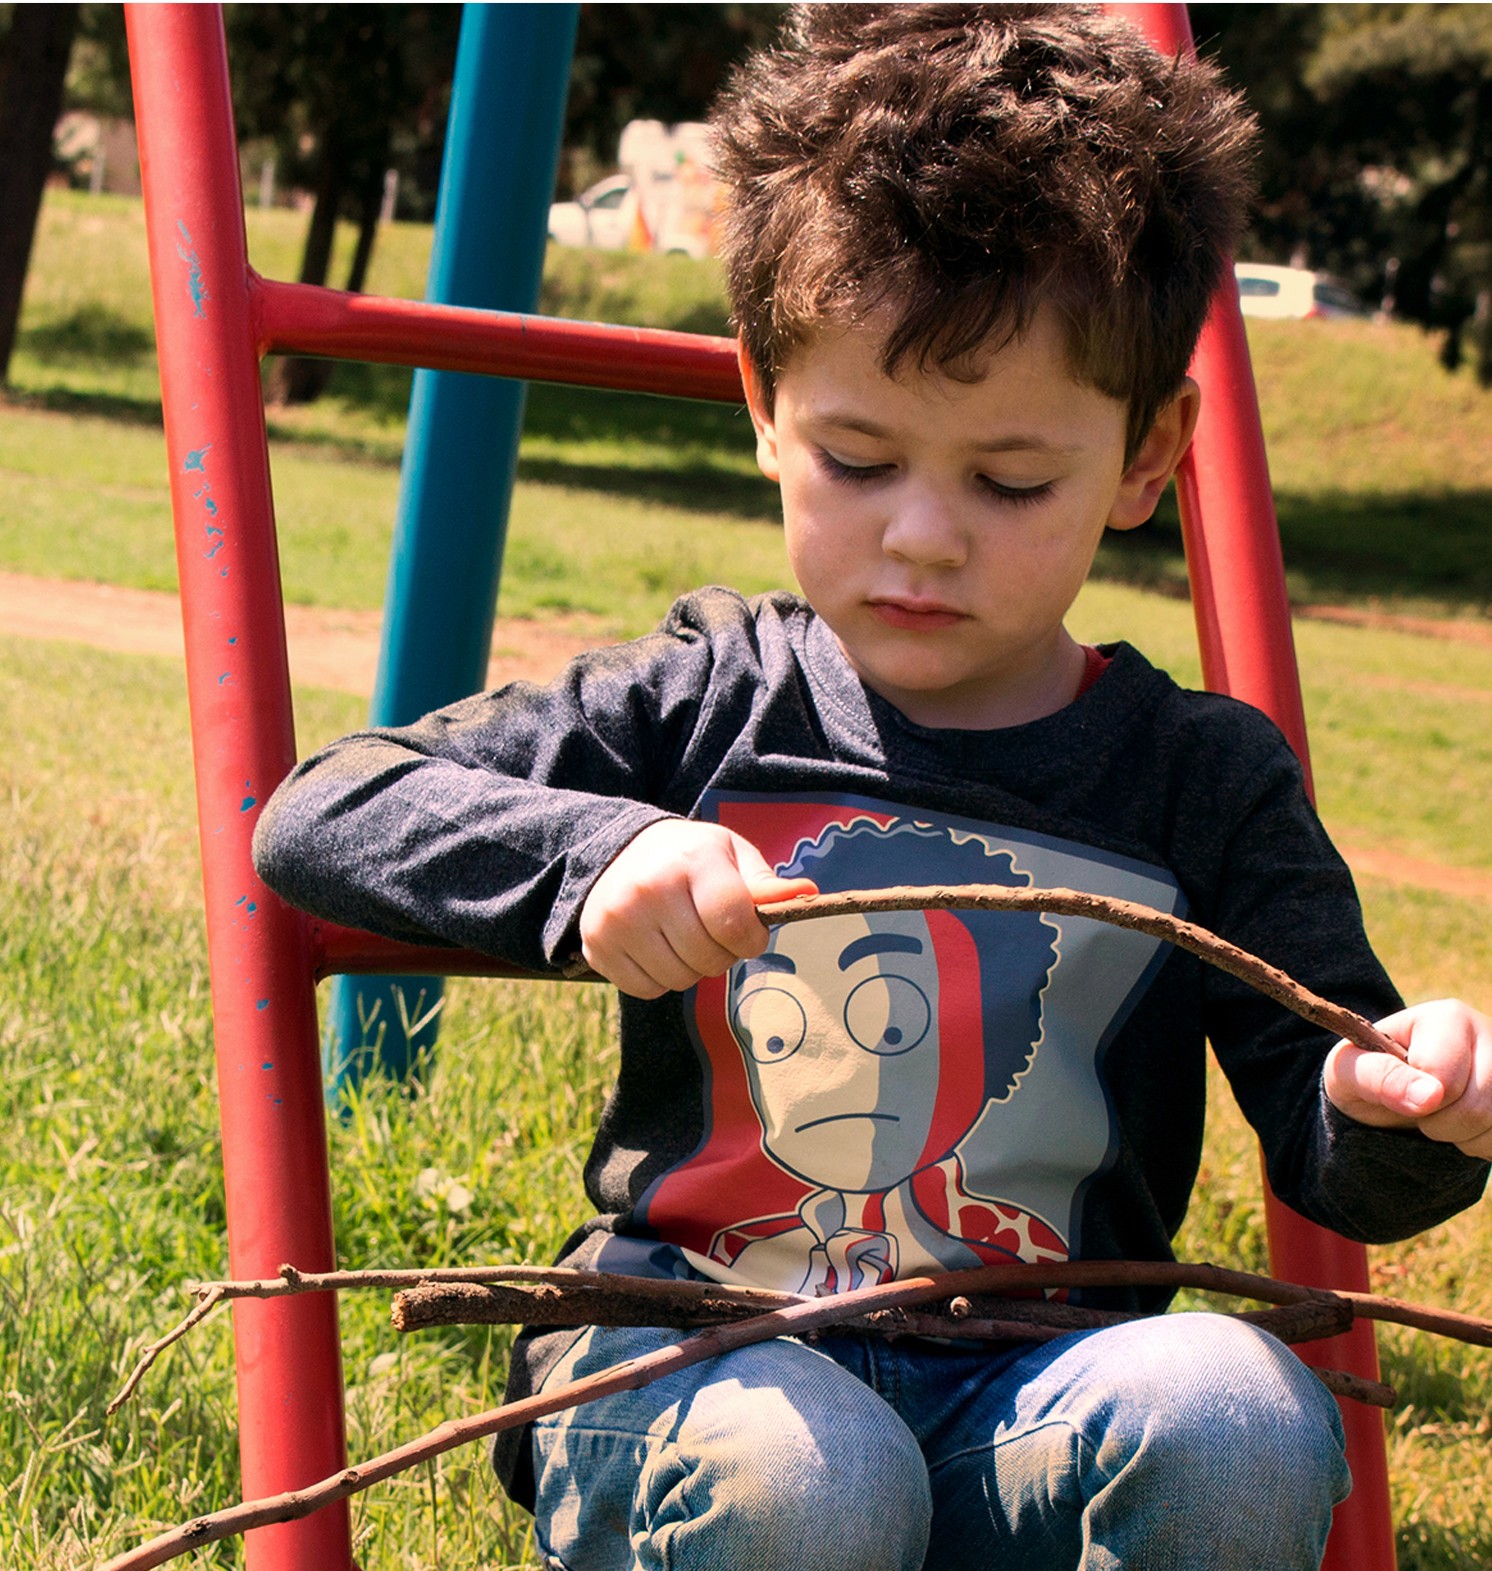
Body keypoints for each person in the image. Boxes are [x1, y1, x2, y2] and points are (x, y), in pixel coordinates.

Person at [252, 7, 1492, 1568]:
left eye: (1010, 480)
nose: (921, 536)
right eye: (858, 457)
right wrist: (596, 862)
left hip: (1034, 1399)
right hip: (693, 1364)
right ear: (765, 405)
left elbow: (1335, 1152)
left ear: (1148, 456)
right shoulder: (714, 693)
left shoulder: (1203, 780)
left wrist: (1417, 1103)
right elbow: (323, 810)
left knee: (1235, 1410)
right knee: (817, 1477)